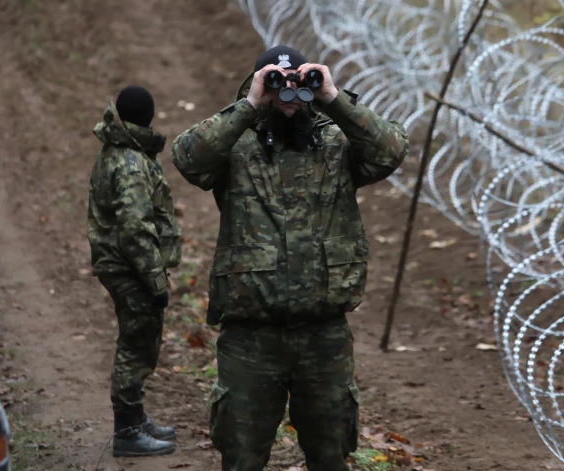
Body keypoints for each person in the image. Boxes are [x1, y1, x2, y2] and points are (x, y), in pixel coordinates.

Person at [171, 45, 409, 470]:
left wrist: (333, 98)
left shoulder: (336, 142)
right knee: (242, 456)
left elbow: (390, 150)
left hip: (323, 335)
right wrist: (250, 104)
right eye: (275, 81)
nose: (287, 93)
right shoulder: (237, 144)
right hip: (251, 336)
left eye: (295, 81)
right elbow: (188, 157)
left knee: (331, 454)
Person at [87, 85, 181, 457]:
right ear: (146, 117)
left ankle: (136, 417)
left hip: (125, 265)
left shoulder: (123, 151)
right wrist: (155, 279)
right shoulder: (129, 162)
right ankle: (127, 431)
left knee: (140, 340)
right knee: (135, 344)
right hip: (130, 268)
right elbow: (135, 229)